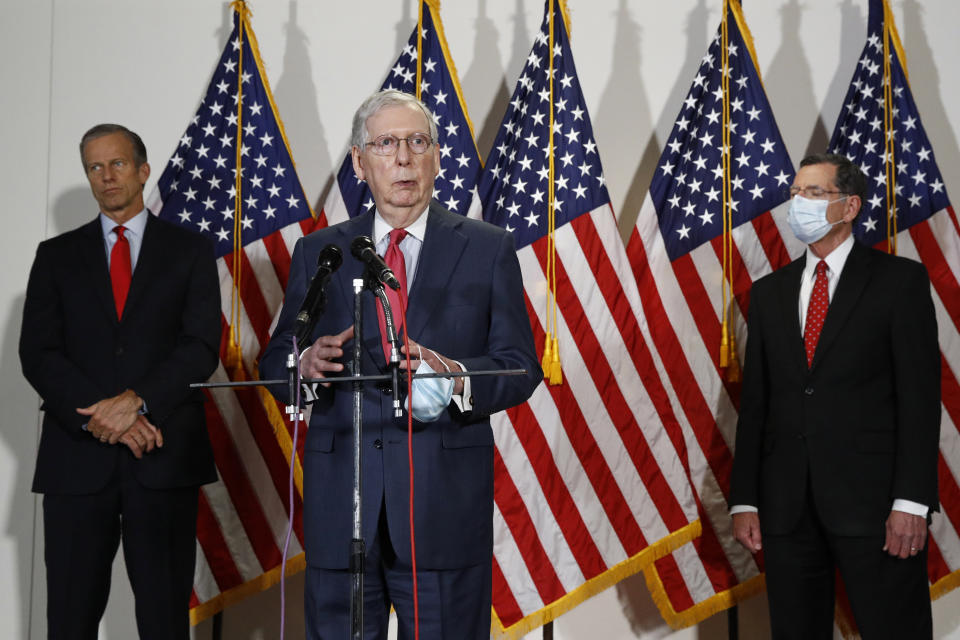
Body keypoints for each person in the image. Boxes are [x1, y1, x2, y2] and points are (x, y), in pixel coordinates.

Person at [259, 89, 541, 639]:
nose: (404, 158)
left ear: (438, 157)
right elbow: (276, 361)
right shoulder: (321, 253)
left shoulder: (487, 248)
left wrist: (452, 374)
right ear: (361, 164)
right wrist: (305, 365)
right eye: (386, 144)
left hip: (442, 509)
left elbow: (517, 366)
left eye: (418, 142)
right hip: (343, 508)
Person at [19, 124, 221, 640]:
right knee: (68, 618)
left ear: (143, 170)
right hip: (77, 462)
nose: (106, 177)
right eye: (94, 167)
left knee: (163, 620)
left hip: (163, 458)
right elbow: (38, 353)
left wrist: (139, 402)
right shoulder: (55, 256)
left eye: (118, 164)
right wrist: (106, 416)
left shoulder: (190, 251)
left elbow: (200, 346)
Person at [729, 153, 940, 638]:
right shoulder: (768, 294)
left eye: (813, 193)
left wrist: (911, 503)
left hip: (876, 508)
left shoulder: (899, 283)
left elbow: (919, 401)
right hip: (786, 510)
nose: (797, 203)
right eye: (794, 193)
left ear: (849, 207)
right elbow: (756, 406)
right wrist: (745, 500)